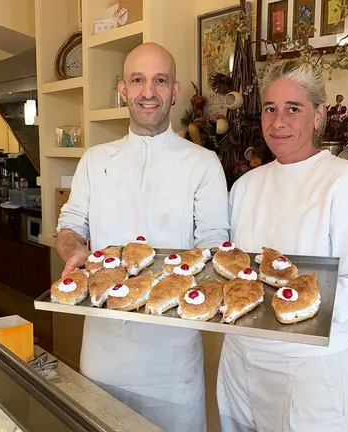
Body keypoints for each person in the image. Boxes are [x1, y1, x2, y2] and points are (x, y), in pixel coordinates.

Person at [56, 42, 229, 432]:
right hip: (102, 349)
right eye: (138, 80)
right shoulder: (95, 159)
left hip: (171, 359)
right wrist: (74, 250)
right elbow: (70, 226)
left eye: (159, 81)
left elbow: (215, 244)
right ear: (122, 89)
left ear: (175, 90)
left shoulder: (202, 163)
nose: (148, 92)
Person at [217, 60, 348, 432]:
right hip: (239, 359)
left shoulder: (346, 184)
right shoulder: (246, 186)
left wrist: (290, 303)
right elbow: (233, 268)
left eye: (293, 108)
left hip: (307, 368)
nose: (278, 122)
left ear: (318, 115)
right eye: (270, 109)